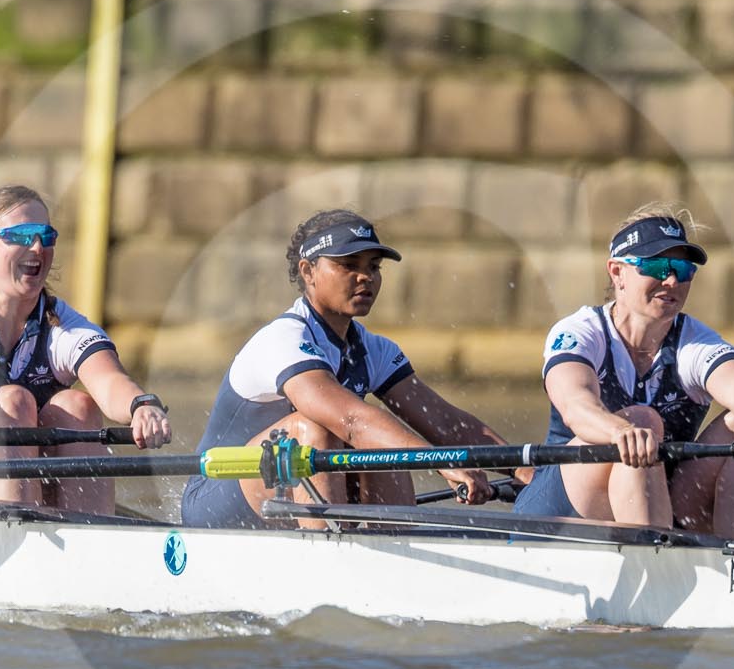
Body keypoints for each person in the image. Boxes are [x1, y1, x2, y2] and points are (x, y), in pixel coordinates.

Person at [179, 209, 514, 528]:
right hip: (215, 500)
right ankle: (327, 557)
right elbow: (351, 421)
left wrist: (527, 472)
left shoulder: (374, 349)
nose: (365, 276)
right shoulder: (283, 338)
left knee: (383, 439)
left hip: (298, 491)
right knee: (317, 429)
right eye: (349, 265)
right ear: (308, 271)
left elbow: (445, 422)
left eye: (374, 266)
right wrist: (442, 463)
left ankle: (395, 554)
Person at [510, 205, 734, 538]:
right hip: (562, 508)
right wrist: (619, 431)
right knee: (642, 421)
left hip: (662, 504)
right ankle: (655, 562)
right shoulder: (580, 333)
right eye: (657, 266)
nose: (671, 279)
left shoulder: (695, 342)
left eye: (682, 269)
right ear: (617, 273)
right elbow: (576, 405)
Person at [0, 184, 170, 511]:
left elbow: (109, 382)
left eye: (46, 236)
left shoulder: (62, 323)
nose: (38, 247)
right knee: (14, 401)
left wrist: (141, 405)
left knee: (78, 407)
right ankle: (17, 536)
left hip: (14, 476)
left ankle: (88, 538)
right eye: (23, 236)